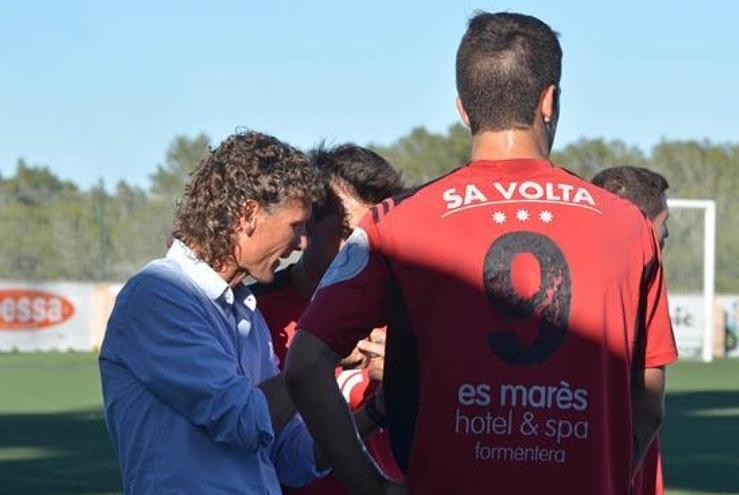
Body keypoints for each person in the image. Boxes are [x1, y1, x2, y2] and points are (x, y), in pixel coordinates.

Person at [285, 12, 677, 495]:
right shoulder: (629, 227)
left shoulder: (396, 221)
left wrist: (371, 487)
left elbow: (304, 365)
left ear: (463, 109)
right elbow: (649, 399)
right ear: (548, 101)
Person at [99, 131, 329, 494]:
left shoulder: (245, 311)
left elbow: (291, 457)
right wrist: (320, 353)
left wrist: (376, 409)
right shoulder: (158, 296)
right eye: (296, 225)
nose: (302, 242)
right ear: (249, 214)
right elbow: (244, 420)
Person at [250, 143, 405, 494]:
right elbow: (239, 432)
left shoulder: (404, 314)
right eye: (346, 234)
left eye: (372, 238)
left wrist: (410, 375)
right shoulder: (253, 313)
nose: (361, 251)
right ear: (306, 228)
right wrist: (319, 358)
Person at [592, 166, 673, 495]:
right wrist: (619, 478)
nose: (667, 236)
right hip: (619, 474)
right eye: (663, 224)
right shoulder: (642, 280)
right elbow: (649, 406)